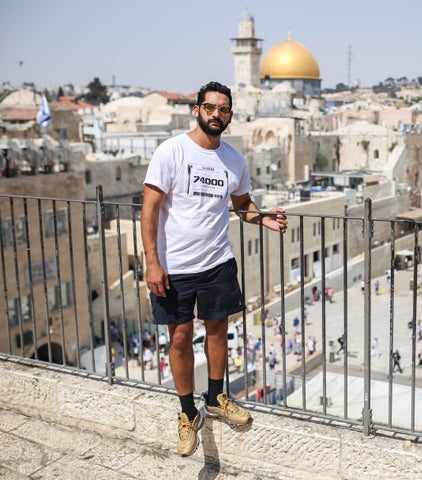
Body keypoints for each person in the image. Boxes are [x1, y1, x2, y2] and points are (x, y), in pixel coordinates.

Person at [141, 81, 287, 457]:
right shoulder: (171, 151)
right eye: (210, 108)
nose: (216, 115)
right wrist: (153, 263)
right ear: (197, 110)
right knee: (179, 338)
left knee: (219, 331)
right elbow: (150, 210)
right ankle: (188, 413)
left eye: (223, 110)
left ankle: (217, 397)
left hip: (217, 261)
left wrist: (263, 218)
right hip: (175, 266)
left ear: (230, 116)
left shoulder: (235, 160)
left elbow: (243, 205)